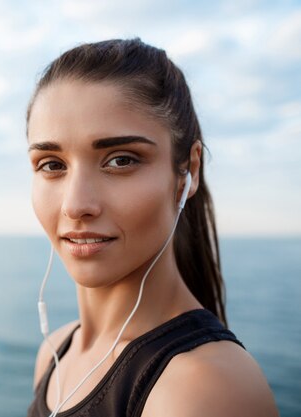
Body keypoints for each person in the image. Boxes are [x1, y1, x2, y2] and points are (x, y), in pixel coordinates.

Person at [25, 39, 278, 417]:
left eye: (121, 160)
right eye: (52, 165)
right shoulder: (56, 352)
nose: (75, 205)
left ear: (188, 171)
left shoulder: (203, 389)